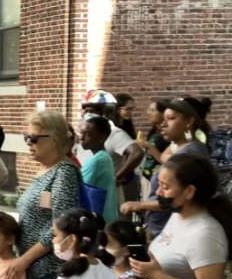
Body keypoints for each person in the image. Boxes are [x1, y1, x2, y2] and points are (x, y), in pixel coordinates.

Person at [7, 110, 82, 279]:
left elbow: (60, 225)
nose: (29, 143)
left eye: (34, 138)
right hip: (32, 271)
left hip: (50, 271)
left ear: (56, 139)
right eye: (26, 138)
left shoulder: (64, 172)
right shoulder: (44, 171)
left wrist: (24, 260)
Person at [125, 96, 213, 238]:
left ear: (189, 122)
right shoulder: (180, 149)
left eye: (171, 118)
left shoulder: (191, 154)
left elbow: (180, 198)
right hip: (164, 232)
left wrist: (141, 205)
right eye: (164, 118)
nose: (163, 124)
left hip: (177, 235)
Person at [78, 91, 144, 207]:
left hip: (104, 196)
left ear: (106, 111)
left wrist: (117, 176)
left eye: (90, 111)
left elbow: (136, 152)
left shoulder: (114, 133)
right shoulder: (86, 131)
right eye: (84, 110)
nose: (85, 114)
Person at [78, 116, 120, 222]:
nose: (81, 138)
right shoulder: (104, 157)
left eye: (88, 134)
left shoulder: (97, 161)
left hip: (98, 221)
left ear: (102, 138)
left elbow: (76, 189)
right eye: (81, 133)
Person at [135, 101, 171, 198]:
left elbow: (163, 159)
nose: (149, 113)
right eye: (149, 110)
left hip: (159, 179)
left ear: (163, 113)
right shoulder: (153, 132)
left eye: (153, 110)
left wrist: (149, 145)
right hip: (147, 176)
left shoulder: (167, 135)